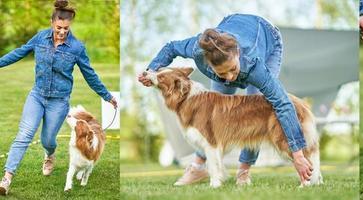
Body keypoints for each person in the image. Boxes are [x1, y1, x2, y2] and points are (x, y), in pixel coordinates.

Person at [137, 14, 313, 186]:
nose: (230, 78)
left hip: (268, 39)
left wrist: (297, 154)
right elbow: (171, 48)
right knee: (209, 119)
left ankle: (243, 172)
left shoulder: (253, 63)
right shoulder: (199, 50)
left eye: (232, 70)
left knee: (257, 109)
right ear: (208, 63)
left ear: (237, 54)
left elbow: (282, 103)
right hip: (232, 30)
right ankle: (198, 167)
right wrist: (150, 72)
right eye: (222, 73)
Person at [0, 0, 117, 195]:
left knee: (47, 140)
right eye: (59, 27)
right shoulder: (40, 38)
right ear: (52, 22)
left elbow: (90, 74)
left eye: (66, 28)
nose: (62, 31)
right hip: (37, 96)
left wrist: (106, 95)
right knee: (24, 135)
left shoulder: (76, 47)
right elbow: (19, 52)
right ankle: (6, 178)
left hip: (59, 101)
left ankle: (49, 154)